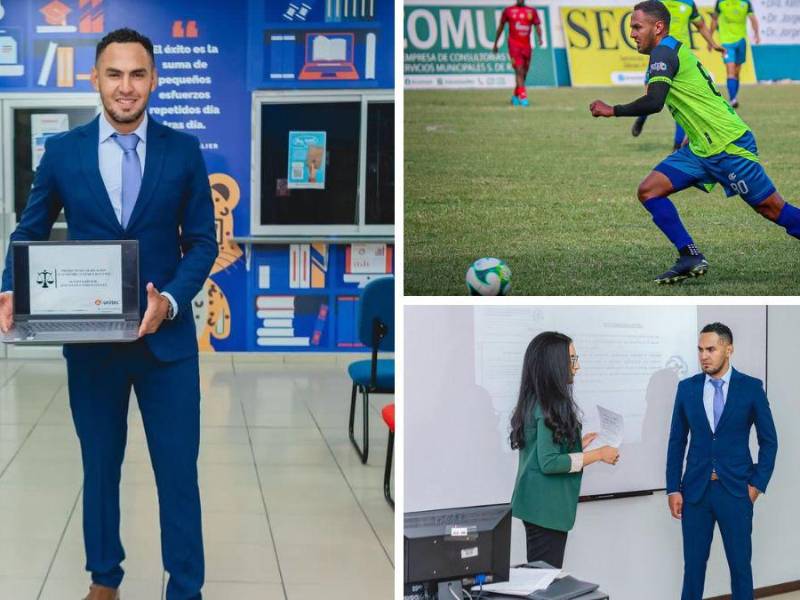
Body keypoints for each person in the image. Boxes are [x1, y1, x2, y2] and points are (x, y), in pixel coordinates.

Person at [0, 28, 217, 600]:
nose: (126, 87)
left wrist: (168, 300)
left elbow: (201, 243)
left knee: (177, 474)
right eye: (114, 74)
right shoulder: (63, 152)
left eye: (138, 74)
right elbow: (30, 230)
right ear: (95, 79)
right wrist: (8, 288)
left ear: (154, 80)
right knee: (100, 468)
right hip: (92, 346)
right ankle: (104, 578)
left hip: (165, 348)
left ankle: (186, 587)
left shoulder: (183, 150)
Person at [589, 1, 800, 284]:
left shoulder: (663, 52)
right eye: (631, 28)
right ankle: (689, 255)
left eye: (637, 27)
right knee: (649, 191)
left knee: (773, 209)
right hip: (701, 148)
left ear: (658, 27)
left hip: (728, 144)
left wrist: (611, 109)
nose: (633, 33)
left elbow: (654, 102)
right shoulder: (668, 50)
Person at [666, 322, 777, 600]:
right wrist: (673, 488)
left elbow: (770, 441)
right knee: (693, 570)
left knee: (741, 569)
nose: (704, 355)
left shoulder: (751, 388)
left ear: (729, 349)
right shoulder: (687, 389)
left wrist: (756, 486)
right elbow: (676, 442)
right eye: (700, 349)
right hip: (695, 494)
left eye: (711, 349)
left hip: (736, 492)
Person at [509, 332, 620, 568]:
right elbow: (549, 462)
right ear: (554, 364)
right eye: (572, 360)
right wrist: (598, 455)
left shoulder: (535, 399)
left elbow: (544, 446)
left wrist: (577, 441)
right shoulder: (551, 403)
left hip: (536, 507)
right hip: (545, 509)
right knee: (544, 581)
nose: (577, 367)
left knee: (541, 576)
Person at [630, 0, 726, 150]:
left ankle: (677, 146)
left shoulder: (689, 3)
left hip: (680, 59)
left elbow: (700, 25)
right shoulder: (657, 4)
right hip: (660, 56)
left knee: (681, 103)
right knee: (651, 96)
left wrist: (713, 43)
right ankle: (641, 118)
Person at [492, 0, 542, 107]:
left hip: (527, 46)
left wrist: (540, 38)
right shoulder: (508, 11)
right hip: (514, 45)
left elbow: (537, 25)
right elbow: (500, 27)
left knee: (524, 73)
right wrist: (496, 43)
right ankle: (523, 98)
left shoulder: (531, 11)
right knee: (519, 70)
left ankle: (515, 95)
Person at [710, 0, 760, 107]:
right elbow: (714, 19)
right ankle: (733, 99)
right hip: (726, 43)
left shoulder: (745, 2)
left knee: (737, 72)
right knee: (730, 71)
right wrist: (710, 38)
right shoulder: (721, 2)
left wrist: (756, 33)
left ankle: (734, 96)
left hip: (741, 41)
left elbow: (753, 19)